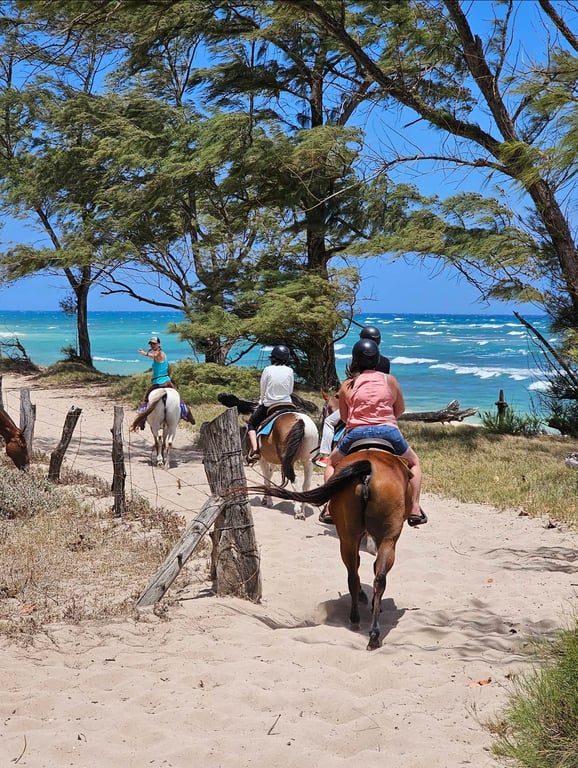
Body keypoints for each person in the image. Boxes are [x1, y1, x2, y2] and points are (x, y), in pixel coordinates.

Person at [321, 338, 427, 527]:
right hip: (388, 433)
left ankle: (329, 505)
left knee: (331, 462)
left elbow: (345, 418)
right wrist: (384, 418)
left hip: (356, 434)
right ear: (377, 359)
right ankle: (415, 509)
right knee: (414, 462)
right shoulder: (390, 380)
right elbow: (400, 409)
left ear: (355, 360)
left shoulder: (347, 385)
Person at [314, 325, 390, 469]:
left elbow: (351, 387)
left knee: (329, 421)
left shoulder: (358, 361)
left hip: (358, 407)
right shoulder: (385, 362)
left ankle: (324, 455)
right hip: (380, 408)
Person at [246, 344, 294, 461]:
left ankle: (255, 450)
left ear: (273, 358)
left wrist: (262, 400)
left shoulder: (267, 370)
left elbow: (263, 388)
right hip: (288, 403)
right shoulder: (289, 370)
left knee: (251, 424)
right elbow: (290, 390)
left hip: (270, 405)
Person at [137, 336, 195, 425]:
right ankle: (186, 414)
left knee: (145, 399)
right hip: (167, 381)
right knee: (179, 399)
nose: (152, 345)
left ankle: (142, 418)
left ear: (159, 344)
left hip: (157, 383)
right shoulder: (164, 354)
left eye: (154, 343)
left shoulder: (159, 353)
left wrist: (144, 353)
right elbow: (169, 367)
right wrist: (168, 376)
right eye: (151, 344)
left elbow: (154, 356)